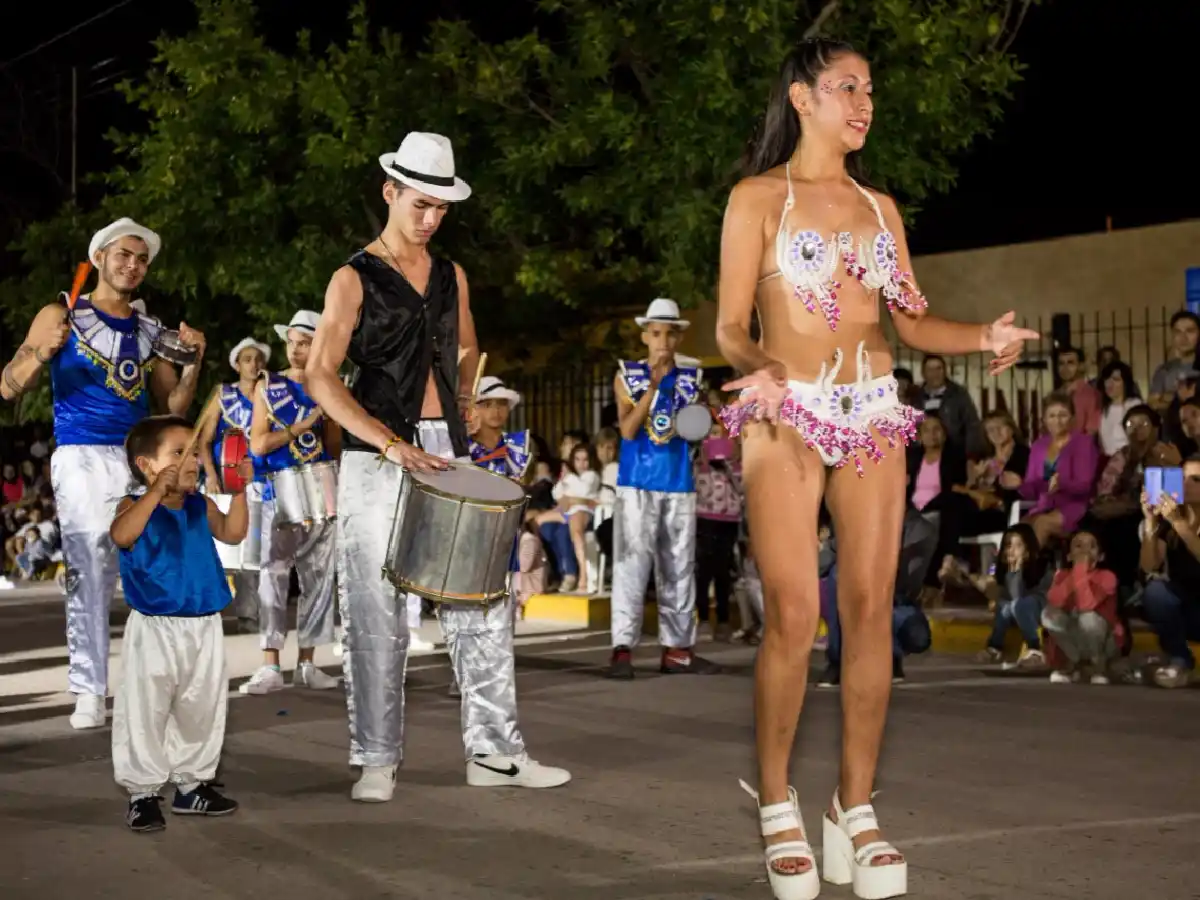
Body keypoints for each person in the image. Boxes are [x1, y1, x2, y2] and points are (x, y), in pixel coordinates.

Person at [714, 39, 1037, 900]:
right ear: (802, 96)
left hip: (872, 411)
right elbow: (729, 326)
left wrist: (983, 339)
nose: (862, 101)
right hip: (785, 412)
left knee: (869, 612)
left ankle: (854, 809)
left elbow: (911, 326)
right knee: (791, 612)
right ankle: (777, 803)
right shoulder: (756, 198)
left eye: (869, 88)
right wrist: (761, 368)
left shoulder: (880, 208)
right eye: (844, 86)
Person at [306, 131, 570, 801]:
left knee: (478, 605)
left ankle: (496, 753)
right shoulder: (352, 277)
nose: (430, 218)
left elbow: (468, 348)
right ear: (390, 192)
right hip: (376, 455)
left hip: (446, 449)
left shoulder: (452, 276)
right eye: (421, 204)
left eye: (441, 208)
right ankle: (375, 758)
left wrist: (469, 400)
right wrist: (390, 443)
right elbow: (319, 377)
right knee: (373, 609)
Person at [0, 218, 206, 730]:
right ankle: (89, 689)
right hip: (82, 457)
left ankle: (155, 685)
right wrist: (40, 353)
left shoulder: (148, 328)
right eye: (124, 255)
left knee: (154, 567)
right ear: (99, 258)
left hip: (138, 457)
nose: (133, 265)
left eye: (141, 259)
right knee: (89, 572)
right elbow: (8, 386)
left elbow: (172, 403)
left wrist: (194, 363)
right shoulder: (62, 313)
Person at [110, 415, 244, 832]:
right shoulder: (134, 505)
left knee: (200, 709)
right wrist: (154, 493)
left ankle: (192, 786)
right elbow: (121, 536)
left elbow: (234, 533)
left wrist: (239, 490)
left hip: (203, 626)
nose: (192, 463)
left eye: (194, 453)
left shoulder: (200, 505)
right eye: (178, 454)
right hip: (155, 629)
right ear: (147, 465)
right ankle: (143, 793)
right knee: (145, 711)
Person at [608, 298, 719, 679]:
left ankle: (677, 650)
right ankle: (622, 648)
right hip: (636, 482)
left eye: (671, 333)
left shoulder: (693, 378)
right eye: (656, 333)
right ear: (644, 335)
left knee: (679, 567)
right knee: (631, 565)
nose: (664, 341)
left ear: (679, 337)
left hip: (678, 482)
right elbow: (626, 430)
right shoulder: (627, 375)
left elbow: (697, 430)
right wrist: (653, 388)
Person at [240, 310, 341, 695]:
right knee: (273, 574)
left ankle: (308, 663)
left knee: (318, 577)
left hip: (321, 489)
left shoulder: (329, 386)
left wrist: (330, 419)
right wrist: (298, 428)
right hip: (275, 490)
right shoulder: (271, 387)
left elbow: (332, 449)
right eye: (293, 342)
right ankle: (270, 664)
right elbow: (258, 443)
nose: (297, 350)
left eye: (306, 343)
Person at [199, 336, 272, 631]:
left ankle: (248, 613)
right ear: (237, 364)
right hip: (223, 482)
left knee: (253, 553)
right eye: (247, 359)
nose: (253, 364)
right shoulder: (222, 394)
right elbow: (203, 441)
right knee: (217, 550)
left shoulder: (270, 396)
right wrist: (212, 475)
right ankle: (208, 609)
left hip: (258, 481)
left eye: (257, 359)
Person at [1138, 455, 1200, 689]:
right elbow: (1148, 566)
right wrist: (1151, 521)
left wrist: (1179, 524)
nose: (1186, 485)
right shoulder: (1171, 521)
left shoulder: (1176, 521)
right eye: (1182, 478)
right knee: (1154, 591)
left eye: (1196, 480)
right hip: (1183, 606)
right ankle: (1179, 660)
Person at [1020, 393, 1100, 551]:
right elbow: (1031, 487)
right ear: (1044, 419)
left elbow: (1084, 485)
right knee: (1019, 530)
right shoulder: (1038, 446)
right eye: (1052, 416)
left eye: (1062, 415)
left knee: (1042, 524)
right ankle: (1012, 573)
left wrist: (1061, 484)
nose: (1057, 420)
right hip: (1044, 506)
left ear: (1072, 417)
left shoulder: (1084, 443)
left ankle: (1027, 573)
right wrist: (1019, 485)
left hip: (1075, 507)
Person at [1042, 528, 1121, 684]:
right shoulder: (1062, 575)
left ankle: (1098, 664)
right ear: (1069, 556)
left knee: (1088, 617)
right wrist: (1075, 574)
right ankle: (1074, 662)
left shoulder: (1107, 577)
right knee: (1048, 614)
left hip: (1102, 640)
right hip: (1075, 639)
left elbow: (1087, 605)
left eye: (1091, 546)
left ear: (1101, 556)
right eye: (1078, 546)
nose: (1084, 551)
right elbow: (1055, 601)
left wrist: (1080, 570)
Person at [975, 524, 1051, 669]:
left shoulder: (1041, 568)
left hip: (1037, 606)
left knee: (1018, 604)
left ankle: (1035, 648)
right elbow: (1007, 598)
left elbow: (1018, 597)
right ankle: (994, 647)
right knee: (1003, 605)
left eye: (1017, 546)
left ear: (1028, 550)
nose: (1011, 550)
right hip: (1017, 608)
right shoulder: (1005, 572)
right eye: (1008, 545)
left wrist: (1018, 570)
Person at [1096, 361, 1141, 457]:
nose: (1110, 383)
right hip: (1109, 463)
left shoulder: (1134, 405)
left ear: (1125, 383)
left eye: (1116, 379)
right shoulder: (1103, 409)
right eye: (1107, 379)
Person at [1054, 346, 1102, 435]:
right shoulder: (1055, 396)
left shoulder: (1091, 395)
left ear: (1081, 366)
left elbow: (1092, 432)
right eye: (1061, 363)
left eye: (1070, 363)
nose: (1065, 367)